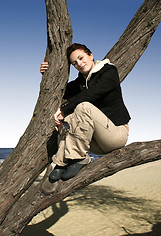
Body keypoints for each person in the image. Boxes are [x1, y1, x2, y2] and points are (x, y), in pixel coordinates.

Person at [40, 43, 130, 183]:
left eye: (81, 58)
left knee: (82, 106)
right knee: (71, 116)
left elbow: (92, 94)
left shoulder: (109, 71)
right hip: (94, 143)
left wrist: (64, 110)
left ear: (91, 55)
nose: (80, 64)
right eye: (75, 63)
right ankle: (61, 162)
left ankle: (79, 159)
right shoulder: (80, 83)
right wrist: (47, 72)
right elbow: (59, 89)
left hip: (116, 135)